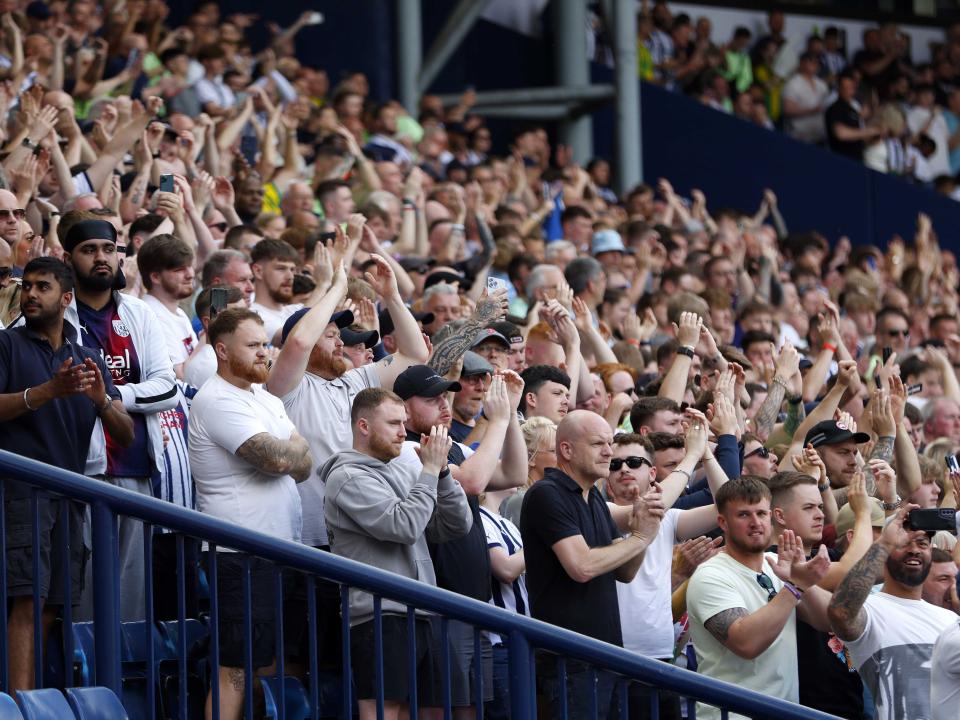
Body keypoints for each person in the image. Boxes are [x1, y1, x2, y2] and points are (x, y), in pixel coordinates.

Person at [0, 257, 132, 691]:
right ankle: (20, 708)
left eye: (43, 287)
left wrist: (101, 400)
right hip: (22, 493)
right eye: (28, 287)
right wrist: (46, 392)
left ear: (67, 298)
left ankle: (31, 697)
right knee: (26, 599)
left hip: (70, 497)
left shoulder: (87, 355)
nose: (32, 294)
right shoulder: (7, 345)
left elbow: (125, 434)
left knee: (51, 606)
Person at [188, 307, 312, 720]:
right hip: (239, 556)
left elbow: (305, 463)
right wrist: (288, 452)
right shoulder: (216, 399)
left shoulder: (264, 397)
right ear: (222, 350)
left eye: (266, 344)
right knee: (235, 670)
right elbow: (276, 459)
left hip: (279, 551)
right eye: (254, 345)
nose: (265, 353)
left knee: (268, 664)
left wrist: (288, 453)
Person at [322, 387, 472, 720]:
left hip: (423, 608)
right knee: (386, 712)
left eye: (404, 423)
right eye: (393, 423)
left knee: (436, 711)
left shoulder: (403, 472)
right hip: (380, 613)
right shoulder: (347, 477)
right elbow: (402, 525)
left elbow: (455, 526)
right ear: (363, 426)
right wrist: (429, 472)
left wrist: (443, 473)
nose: (404, 432)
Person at [63, 218, 181, 622]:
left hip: (135, 469)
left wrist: (110, 396)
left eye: (109, 249)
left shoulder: (139, 313)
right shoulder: (51, 318)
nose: (101, 258)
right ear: (68, 258)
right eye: (89, 249)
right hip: (78, 472)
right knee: (82, 596)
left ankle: (122, 681)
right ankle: (83, 680)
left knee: (130, 600)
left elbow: (167, 388)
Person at [393, 365, 527, 719]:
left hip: (472, 603)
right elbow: (471, 483)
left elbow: (514, 474)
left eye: (444, 396)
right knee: (439, 709)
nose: (444, 404)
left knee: (469, 709)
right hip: (437, 602)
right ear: (404, 409)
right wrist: (495, 421)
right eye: (431, 399)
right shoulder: (406, 449)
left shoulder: (451, 446)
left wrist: (509, 415)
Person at [521, 409, 666, 719]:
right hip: (569, 660)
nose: (609, 452)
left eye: (610, 443)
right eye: (598, 443)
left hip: (606, 654)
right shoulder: (547, 494)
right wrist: (639, 538)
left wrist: (645, 528)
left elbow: (625, 572)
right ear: (567, 450)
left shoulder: (594, 497)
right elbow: (582, 566)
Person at [686, 476, 832, 720]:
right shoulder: (710, 575)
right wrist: (795, 586)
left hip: (784, 712)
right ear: (723, 521)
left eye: (761, 514)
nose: (756, 523)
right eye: (744, 515)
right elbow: (746, 643)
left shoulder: (774, 565)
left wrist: (803, 579)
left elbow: (827, 620)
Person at [828, 505, 958, 720]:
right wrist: (885, 543)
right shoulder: (870, 610)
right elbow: (841, 612)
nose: (914, 549)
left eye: (922, 543)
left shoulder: (951, 620)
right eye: (904, 543)